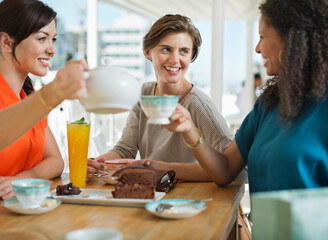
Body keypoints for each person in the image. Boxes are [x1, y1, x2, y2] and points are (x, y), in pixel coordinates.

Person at [165, 0, 328, 193]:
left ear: (293, 39)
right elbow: (225, 170)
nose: (257, 48)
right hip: (264, 225)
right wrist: (189, 130)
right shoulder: (268, 104)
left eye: (262, 36)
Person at [88, 14, 247, 182]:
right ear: (148, 52)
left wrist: (168, 170)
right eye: (166, 49)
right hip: (154, 197)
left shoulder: (197, 104)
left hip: (193, 201)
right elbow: (125, 150)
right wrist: (96, 164)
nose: (174, 59)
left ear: (191, 55)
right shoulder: (143, 95)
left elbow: (236, 170)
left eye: (184, 51)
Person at [0, 0, 89, 200]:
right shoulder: (35, 102)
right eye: (42, 39)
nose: (52, 50)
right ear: (6, 42)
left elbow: (56, 161)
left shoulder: (27, 97)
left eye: (53, 39)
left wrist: (23, 179)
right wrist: (53, 92)